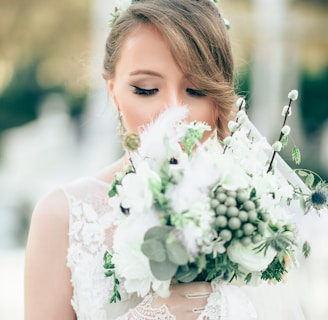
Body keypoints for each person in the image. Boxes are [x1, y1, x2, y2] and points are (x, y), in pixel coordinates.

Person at [24, 0, 306, 319]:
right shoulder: (62, 216)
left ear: (220, 102)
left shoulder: (251, 211)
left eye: (196, 90)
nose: (172, 112)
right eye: (146, 89)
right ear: (113, 90)